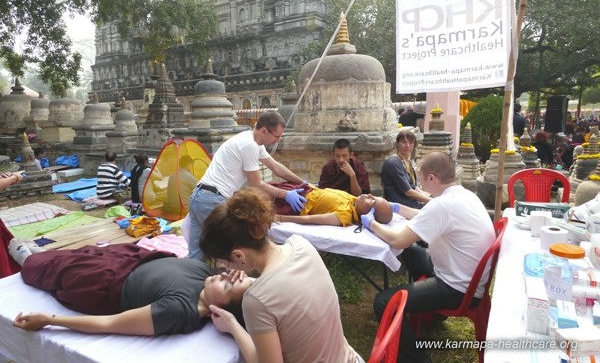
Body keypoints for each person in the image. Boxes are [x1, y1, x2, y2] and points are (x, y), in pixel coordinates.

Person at [199, 188, 363, 363]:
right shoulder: (301, 245)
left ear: (239, 255)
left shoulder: (256, 300)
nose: (227, 271)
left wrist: (233, 326)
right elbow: (285, 288)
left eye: (225, 264)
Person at [361, 152, 495, 363]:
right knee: (413, 252)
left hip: (457, 288)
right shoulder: (463, 194)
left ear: (431, 178)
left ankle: (416, 359)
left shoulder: (442, 205)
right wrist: (395, 207)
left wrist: (370, 223)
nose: (417, 181)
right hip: (467, 276)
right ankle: (430, 313)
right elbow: (426, 218)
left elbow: (397, 241)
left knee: (384, 302)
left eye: (420, 175)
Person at [11, 243, 252, 336]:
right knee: (79, 251)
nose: (224, 275)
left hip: (107, 280)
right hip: (132, 257)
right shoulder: (208, 277)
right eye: (232, 274)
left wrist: (49, 319)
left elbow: (110, 324)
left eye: (229, 283)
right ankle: (40, 253)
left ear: (220, 310)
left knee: (46, 268)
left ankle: (28, 257)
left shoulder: (179, 309)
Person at [187, 111, 306, 260]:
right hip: (212, 200)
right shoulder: (248, 145)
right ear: (264, 131)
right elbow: (256, 184)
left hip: (199, 197)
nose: (278, 140)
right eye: (277, 136)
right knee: (230, 249)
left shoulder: (253, 141)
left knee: (196, 254)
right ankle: (236, 280)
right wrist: (286, 194)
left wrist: (300, 181)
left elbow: (276, 167)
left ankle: (194, 279)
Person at [272, 183, 393, 227]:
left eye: (373, 201)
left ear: (369, 215)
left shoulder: (345, 215)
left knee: (258, 198)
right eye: (374, 196)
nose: (370, 195)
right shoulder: (354, 200)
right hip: (301, 190)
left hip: (295, 204)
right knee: (265, 186)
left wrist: (281, 218)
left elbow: (311, 219)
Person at [382, 130, 431, 209]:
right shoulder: (393, 163)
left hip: (411, 201)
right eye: (404, 142)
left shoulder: (407, 161)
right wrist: (431, 201)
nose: (407, 145)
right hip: (400, 204)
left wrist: (428, 196)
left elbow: (414, 187)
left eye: (411, 143)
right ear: (397, 144)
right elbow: (408, 192)